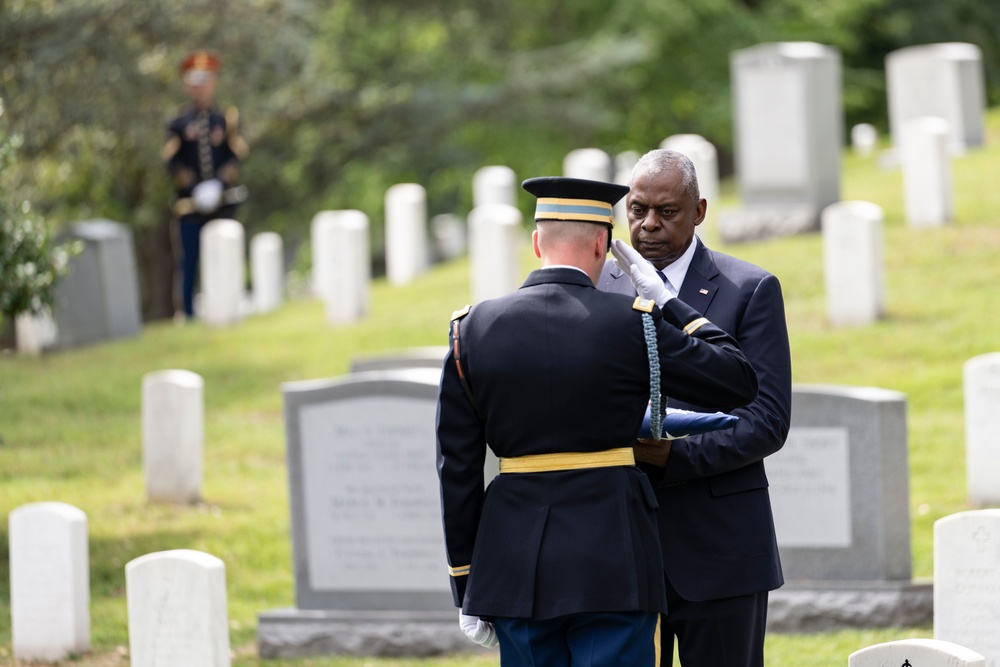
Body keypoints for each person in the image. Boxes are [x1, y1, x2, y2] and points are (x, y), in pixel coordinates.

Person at [436, 176, 760, 667]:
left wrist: (466, 579)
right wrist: (669, 302)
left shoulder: (471, 329)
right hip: (614, 556)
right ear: (603, 245)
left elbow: (456, 469)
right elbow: (737, 378)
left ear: (537, 242)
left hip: (514, 563)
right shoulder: (635, 321)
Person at [598, 149, 792, 667]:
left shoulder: (748, 289)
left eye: (668, 211)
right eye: (638, 210)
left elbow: (768, 421)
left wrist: (672, 458)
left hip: (721, 547)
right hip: (624, 548)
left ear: (699, 211)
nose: (649, 225)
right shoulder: (600, 289)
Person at [162, 49, 249, 319]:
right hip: (190, 206)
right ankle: (187, 312)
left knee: (226, 255)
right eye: (196, 80)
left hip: (221, 203)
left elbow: (236, 154)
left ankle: (231, 305)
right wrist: (194, 186)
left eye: (206, 79)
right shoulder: (178, 123)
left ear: (214, 83)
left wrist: (219, 181)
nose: (201, 86)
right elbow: (171, 159)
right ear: (188, 84)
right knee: (189, 261)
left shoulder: (225, 120)